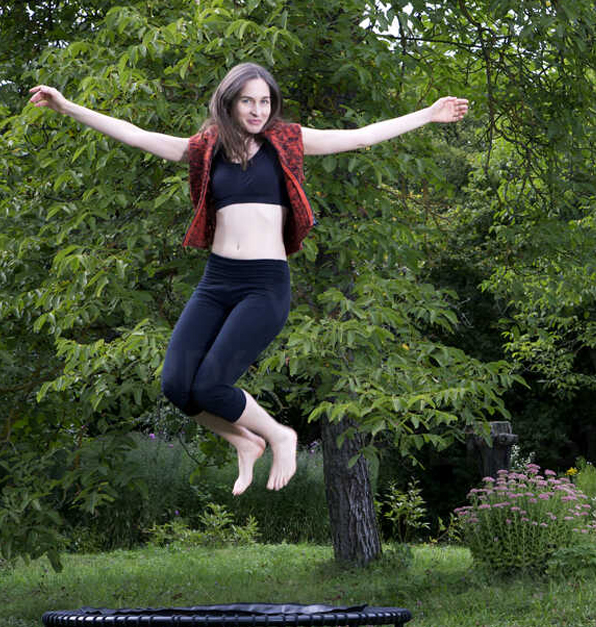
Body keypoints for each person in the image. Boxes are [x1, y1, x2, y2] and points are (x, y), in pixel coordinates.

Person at [29, 62, 468, 496]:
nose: (258, 110)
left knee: (210, 385)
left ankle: (280, 436)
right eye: (248, 101)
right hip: (217, 280)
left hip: (264, 284)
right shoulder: (206, 148)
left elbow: (361, 136)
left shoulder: (288, 141)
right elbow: (135, 134)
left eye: (265, 101)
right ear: (229, 102)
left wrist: (427, 114)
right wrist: (68, 107)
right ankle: (243, 440)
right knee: (177, 386)